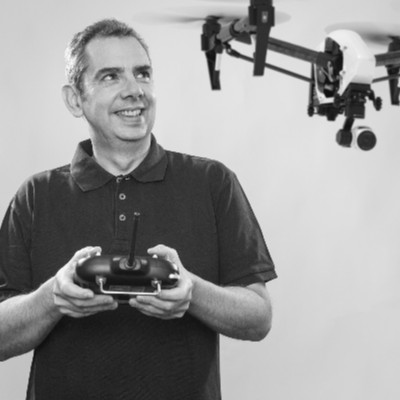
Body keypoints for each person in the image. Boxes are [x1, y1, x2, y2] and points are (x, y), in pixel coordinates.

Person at [0, 19, 277, 400]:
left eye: (142, 73)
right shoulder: (36, 196)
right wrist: (51, 298)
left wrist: (192, 291)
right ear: (75, 99)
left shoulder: (213, 182)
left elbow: (259, 317)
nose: (135, 90)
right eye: (111, 76)